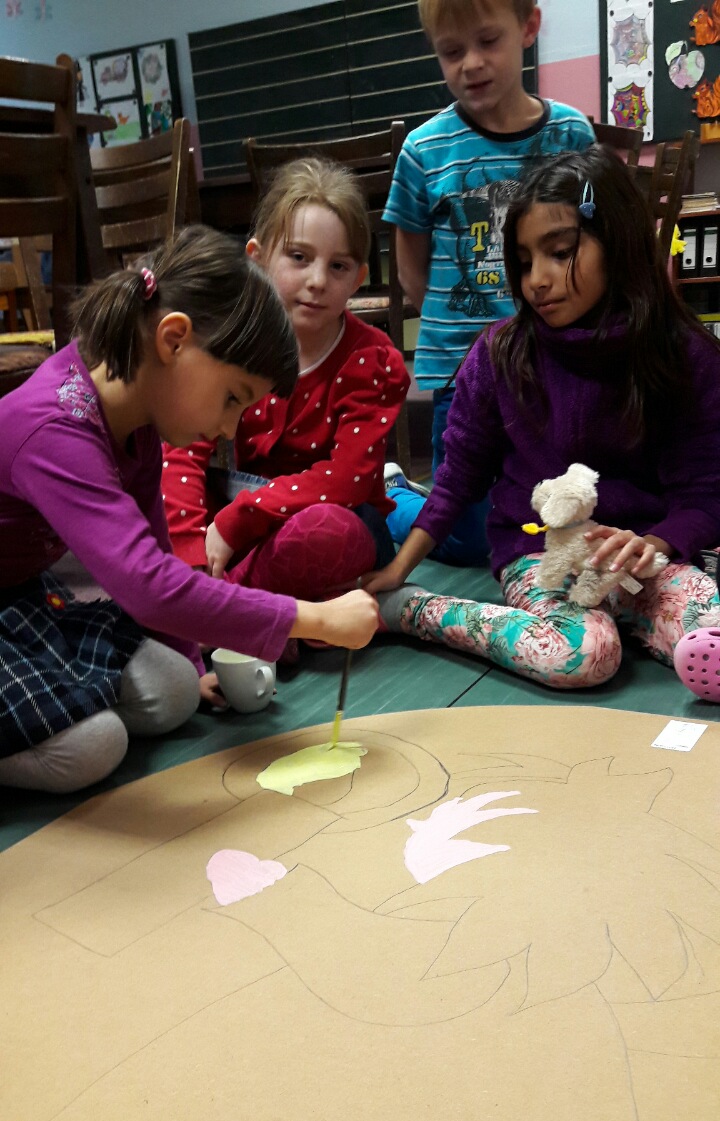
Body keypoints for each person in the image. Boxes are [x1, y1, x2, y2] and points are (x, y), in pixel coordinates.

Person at [0, 226, 378, 794]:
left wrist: (194, 664)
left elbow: (156, 554)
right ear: (173, 339)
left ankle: (49, 710)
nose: (228, 427)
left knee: (175, 690)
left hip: (22, 599)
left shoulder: (134, 419)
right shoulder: (54, 429)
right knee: (95, 746)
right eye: (232, 398)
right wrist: (317, 618)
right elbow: (150, 588)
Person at [365, 146, 720, 689]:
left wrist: (659, 542)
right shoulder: (499, 354)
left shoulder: (682, 353)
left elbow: (705, 493)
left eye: (559, 253)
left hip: (639, 555)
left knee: (710, 622)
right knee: (583, 653)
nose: (537, 280)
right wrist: (397, 572)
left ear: (618, 242)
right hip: (539, 550)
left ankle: (634, 619)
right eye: (525, 261)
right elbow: (456, 482)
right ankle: (415, 611)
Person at [383, 0, 595, 565]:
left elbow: (596, 240)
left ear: (528, 27)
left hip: (555, 364)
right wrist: (468, 323)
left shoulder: (571, 133)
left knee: (551, 516)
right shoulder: (423, 151)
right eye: (451, 51)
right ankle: (393, 494)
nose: (471, 63)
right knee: (468, 540)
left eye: (487, 42)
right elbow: (410, 269)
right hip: (460, 369)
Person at [161, 158, 409, 611]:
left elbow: (347, 480)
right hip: (247, 522)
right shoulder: (233, 343)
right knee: (160, 496)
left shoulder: (372, 360)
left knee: (326, 533)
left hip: (334, 519)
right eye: (299, 257)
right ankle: (218, 597)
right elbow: (183, 448)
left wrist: (238, 520)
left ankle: (223, 608)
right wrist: (191, 551)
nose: (317, 281)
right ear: (257, 259)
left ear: (357, 279)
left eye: (338, 266)